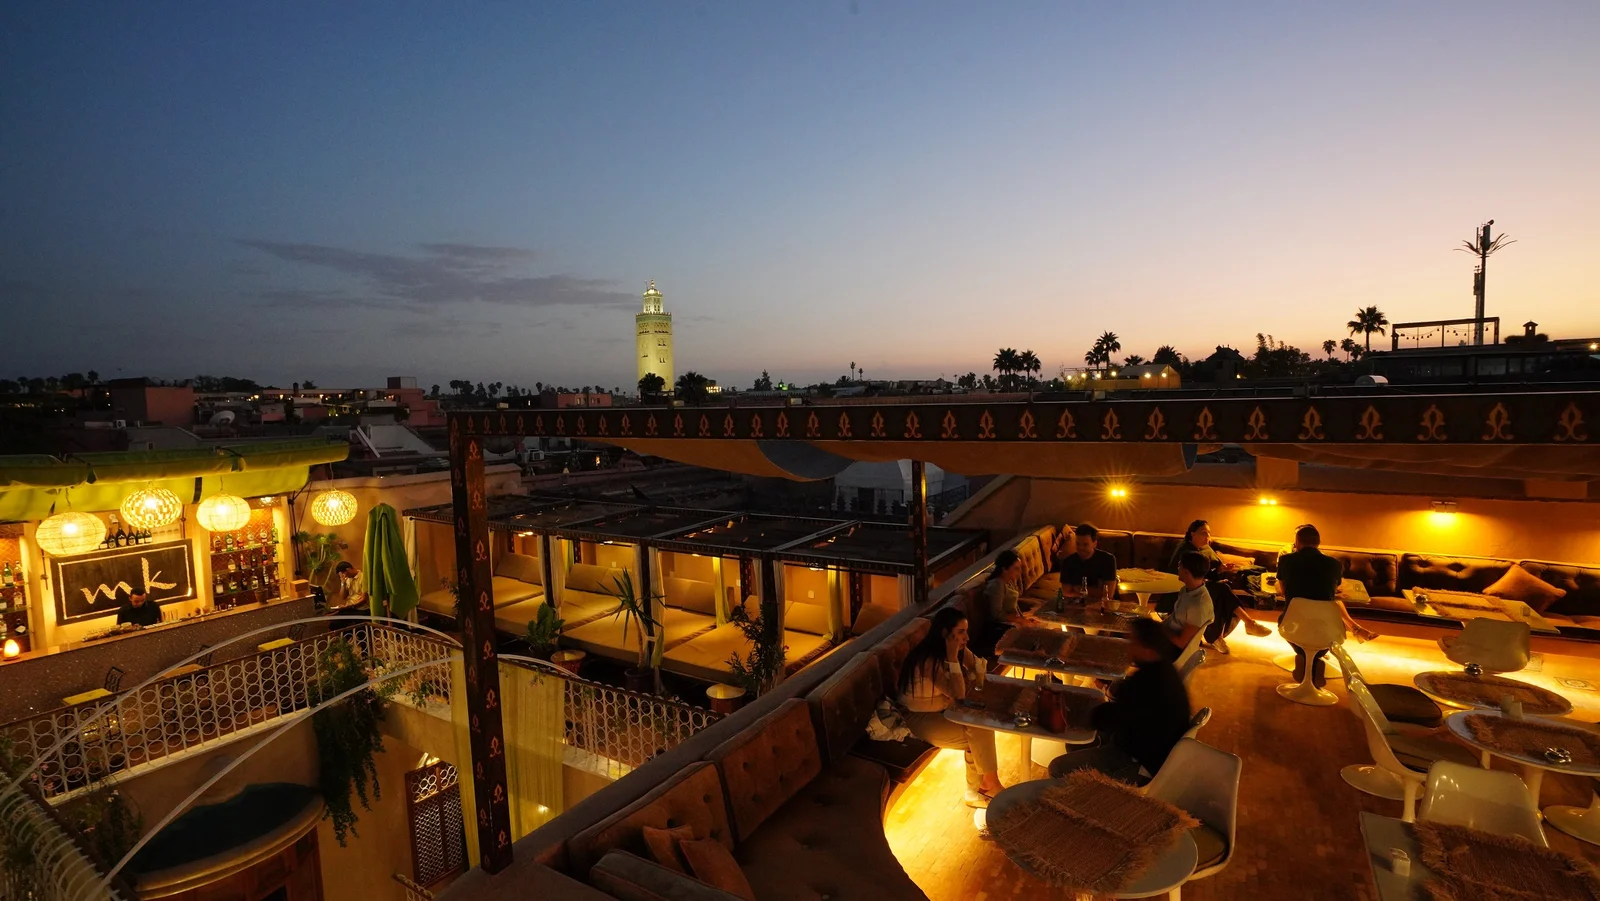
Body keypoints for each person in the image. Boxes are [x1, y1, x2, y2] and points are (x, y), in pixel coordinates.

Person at [1047, 617, 1192, 783]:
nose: (1129, 647)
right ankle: (1084, 782)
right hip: (1155, 751)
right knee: (1076, 742)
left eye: (1134, 643)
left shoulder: (1145, 683)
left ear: (1148, 650)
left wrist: (1079, 715)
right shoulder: (1165, 672)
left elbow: (1109, 718)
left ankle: (1086, 790)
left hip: (1139, 763)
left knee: (1057, 767)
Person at [897, 607, 1003, 808]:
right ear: (945, 633)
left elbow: (978, 668)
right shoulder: (929, 660)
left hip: (939, 711)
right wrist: (953, 658)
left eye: (966, 631)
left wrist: (972, 667)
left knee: (980, 726)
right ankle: (986, 786)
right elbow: (959, 695)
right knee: (979, 732)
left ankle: (981, 787)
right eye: (961, 632)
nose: (966, 637)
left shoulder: (956, 650)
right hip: (915, 718)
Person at [1276, 524, 1377, 687]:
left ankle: (1305, 659)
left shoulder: (1286, 560)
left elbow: (1283, 591)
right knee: (1322, 635)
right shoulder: (1334, 564)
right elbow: (1334, 590)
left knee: (1290, 628)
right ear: (1319, 543)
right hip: (1328, 626)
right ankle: (1315, 659)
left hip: (1292, 623)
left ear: (1297, 542)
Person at [1165, 519, 1271, 653]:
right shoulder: (1185, 551)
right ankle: (1247, 624)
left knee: (1221, 594)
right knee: (1221, 590)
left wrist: (1220, 570)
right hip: (1183, 588)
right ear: (1192, 534)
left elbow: (1204, 573)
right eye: (1203, 533)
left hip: (1199, 586)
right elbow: (1185, 576)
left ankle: (1221, 635)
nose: (1207, 536)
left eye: (1209, 533)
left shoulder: (1204, 549)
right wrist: (1211, 580)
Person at [1165, 552, 1216, 656]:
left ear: (1186, 572)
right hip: (1168, 635)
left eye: (1179, 566)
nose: (1177, 569)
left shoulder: (1198, 604)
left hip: (1173, 649)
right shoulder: (1186, 589)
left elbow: (1181, 643)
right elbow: (1175, 618)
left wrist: (1160, 631)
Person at [1055, 523, 1118, 601]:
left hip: (1101, 604)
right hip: (1076, 604)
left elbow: (1108, 594)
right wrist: (1096, 591)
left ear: (1094, 544)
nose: (1081, 548)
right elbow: (1066, 593)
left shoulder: (1108, 560)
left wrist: (1079, 589)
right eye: (1078, 543)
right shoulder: (1067, 562)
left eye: (1085, 544)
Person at [982, 550, 1034, 629]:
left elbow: (1015, 606)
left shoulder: (1009, 581)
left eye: (1020, 568)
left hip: (1015, 622)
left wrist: (1023, 619)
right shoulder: (997, 585)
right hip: (1004, 627)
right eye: (1016, 568)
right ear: (1004, 569)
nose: (1020, 571)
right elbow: (996, 614)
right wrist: (1020, 620)